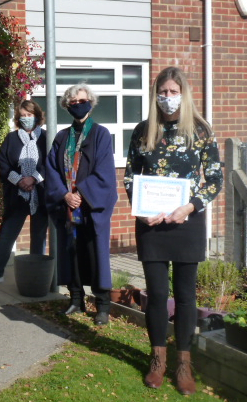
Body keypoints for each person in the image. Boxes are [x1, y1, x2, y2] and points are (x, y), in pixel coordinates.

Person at [124, 67, 223, 395]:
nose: (167, 98)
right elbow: (129, 177)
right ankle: (158, 360)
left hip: (186, 223)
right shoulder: (142, 131)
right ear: (156, 95)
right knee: (156, 296)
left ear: (184, 93)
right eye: (162, 92)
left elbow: (215, 179)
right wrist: (139, 210)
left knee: (185, 296)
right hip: (151, 226)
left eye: (172, 92)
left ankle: (183, 363)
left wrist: (190, 206)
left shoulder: (200, 131)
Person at [45, 83, 117, 326]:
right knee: (72, 253)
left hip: (91, 208)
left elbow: (105, 172)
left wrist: (81, 194)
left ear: (91, 102)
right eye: (73, 102)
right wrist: (65, 195)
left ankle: (103, 305)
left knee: (95, 253)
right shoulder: (61, 137)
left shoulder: (100, 134)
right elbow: (51, 169)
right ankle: (76, 298)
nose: (78, 105)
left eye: (82, 100)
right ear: (67, 106)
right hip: (68, 207)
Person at [0, 100, 48, 285]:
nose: (26, 119)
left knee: (39, 236)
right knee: (7, 234)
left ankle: (36, 274)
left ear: (37, 116)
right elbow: (3, 164)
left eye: (30, 115)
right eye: (23, 115)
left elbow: (49, 163)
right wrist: (20, 180)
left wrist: (33, 178)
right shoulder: (11, 138)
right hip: (16, 195)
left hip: (40, 194)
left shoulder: (46, 138)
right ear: (18, 118)